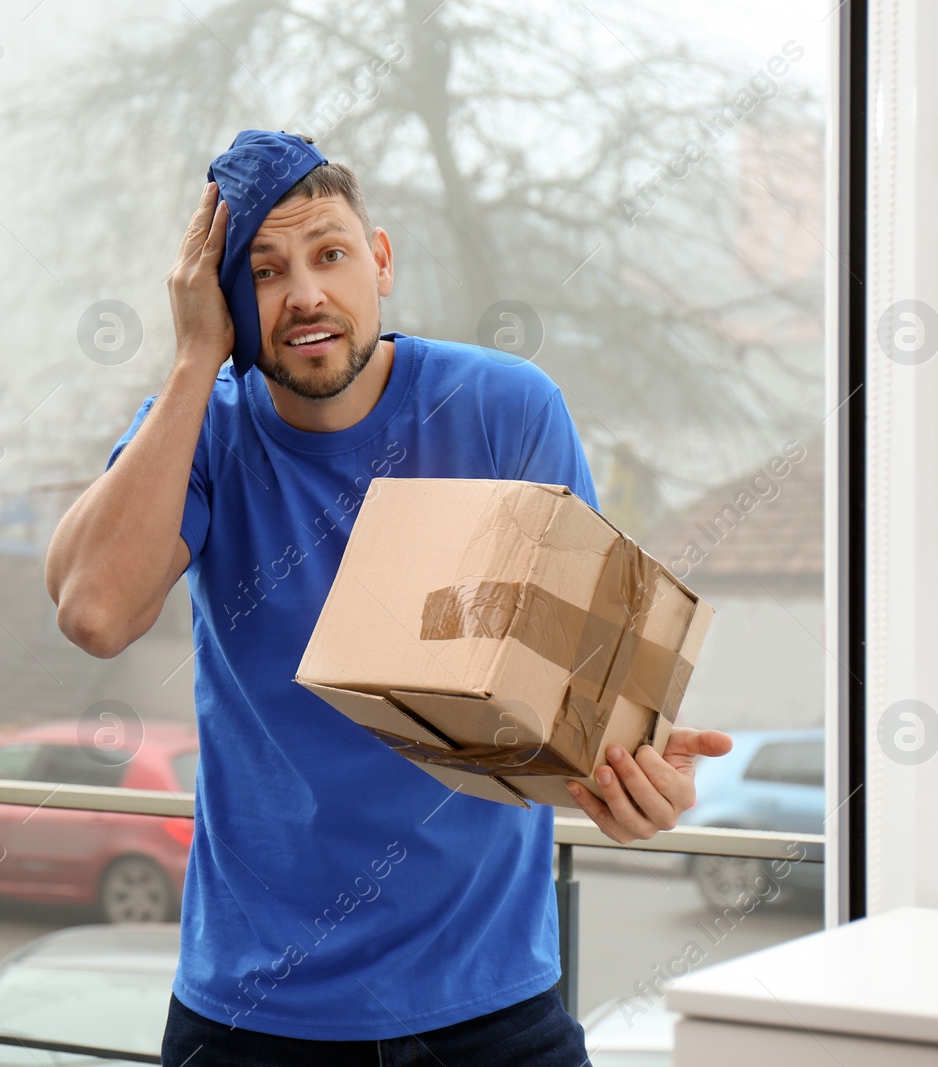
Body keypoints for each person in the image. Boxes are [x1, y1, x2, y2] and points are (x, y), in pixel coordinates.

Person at [44, 131, 733, 1067]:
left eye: (330, 252)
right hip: (254, 1019)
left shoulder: (506, 410)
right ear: (227, 306)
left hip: (491, 1009)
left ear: (381, 260)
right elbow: (94, 611)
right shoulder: (202, 430)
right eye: (264, 272)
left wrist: (631, 779)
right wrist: (192, 363)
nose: (306, 295)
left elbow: (576, 695)